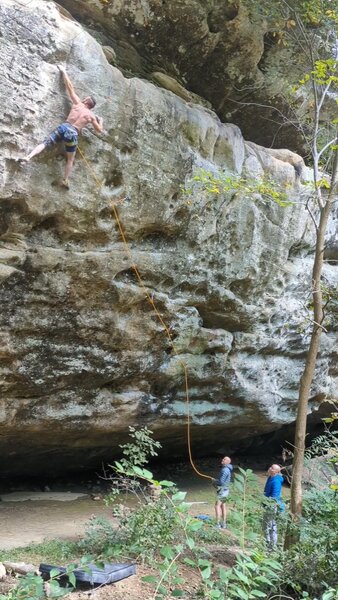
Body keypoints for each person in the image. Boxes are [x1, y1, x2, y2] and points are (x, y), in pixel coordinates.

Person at [21, 66, 104, 189]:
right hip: (72, 133)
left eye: (85, 98)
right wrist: (101, 121)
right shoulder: (91, 116)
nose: (84, 98)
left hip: (63, 127)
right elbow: (99, 130)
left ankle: (28, 157)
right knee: (70, 159)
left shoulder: (77, 104)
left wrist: (64, 71)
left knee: (45, 143)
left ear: (86, 101)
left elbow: (69, 87)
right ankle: (65, 180)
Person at [263, 463, 285, 550]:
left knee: (270, 526)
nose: (270, 468)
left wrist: (268, 504)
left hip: (272, 506)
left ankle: (271, 546)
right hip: (267, 504)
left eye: (272, 468)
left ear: (276, 472)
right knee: (267, 525)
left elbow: (275, 496)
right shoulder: (270, 478)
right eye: (270, 466)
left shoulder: (276, 481)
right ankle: (268, 543)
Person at [213, 456, 233, 529]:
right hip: (226, 490)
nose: (222, 460)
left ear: (228, 462)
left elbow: (221, 482)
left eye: (224, 459)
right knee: (223, 506)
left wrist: (214, 481)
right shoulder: (227, 469)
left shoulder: (225, 470)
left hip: (222, 491)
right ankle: (224, 524)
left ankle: (218, 524)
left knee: (217, 506)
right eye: (223, 459)